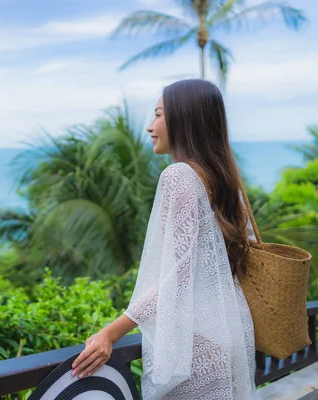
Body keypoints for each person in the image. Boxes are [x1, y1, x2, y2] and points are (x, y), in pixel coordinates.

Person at [70, 79, 258, 399]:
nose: (150, 126)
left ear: (185, 120)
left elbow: (175, 278)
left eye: (158, 114)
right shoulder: (226, 182)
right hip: (230, 338)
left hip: (195, 349)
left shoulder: (180, 176)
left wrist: (109, 333)